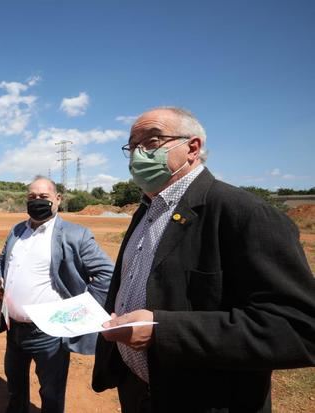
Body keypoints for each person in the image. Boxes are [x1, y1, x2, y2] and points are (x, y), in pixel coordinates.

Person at [92, 107, 315, 412]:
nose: (138, 153)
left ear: (192, 148)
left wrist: (163, 331)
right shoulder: (147, 211)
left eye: (152, 141)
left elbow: (298, 328)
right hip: (139, 392)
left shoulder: (244, 213)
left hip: (204, 400)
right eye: (132, 146)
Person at [0, 176, 114, 413]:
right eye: (32, 197)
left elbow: (107, 275)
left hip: (49, 334)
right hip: (14, 329)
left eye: (43, 197)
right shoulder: (17, 231)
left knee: (51, 394)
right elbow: (1, 260)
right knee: (15, 388)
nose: (37, 201)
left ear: (57, 199)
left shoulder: (75, 234)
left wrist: (80, 311)